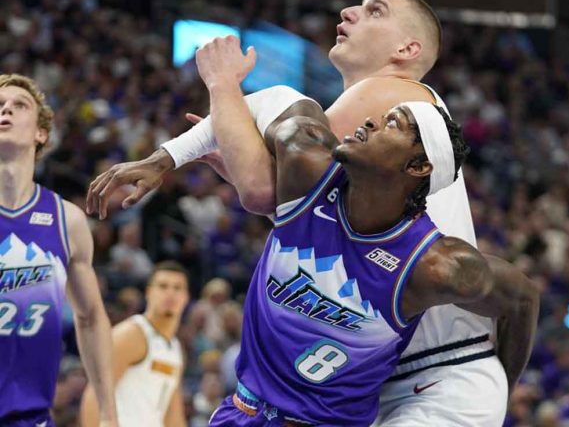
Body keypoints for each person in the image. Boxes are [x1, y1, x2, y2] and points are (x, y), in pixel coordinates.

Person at [87, 0, 534, 426]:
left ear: (407, 48)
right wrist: (180, 155)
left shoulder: (398, 96)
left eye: (375, 11)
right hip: (377, 382)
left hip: (443, 376)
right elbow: (285, 192)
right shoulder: (361, 159)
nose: (348, 11)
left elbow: (264, 178)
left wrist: (216, 96)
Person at [193, 35, 539, 426]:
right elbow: (279, 100)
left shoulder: (434, 264)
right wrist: (180, 141)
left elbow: (523, 298)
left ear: (418, 167)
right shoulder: (304, 156)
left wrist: (502, 385)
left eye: (393, 123)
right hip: (241, 412)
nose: (371, 120)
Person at [0, 74, 117, 426]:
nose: (5, 110)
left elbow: (92, 317)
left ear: (41, 133)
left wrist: (108, 412)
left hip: (31, 417)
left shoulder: (67, 220)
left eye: (18, 105)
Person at [80, 261, 190, 427]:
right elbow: (95, 396)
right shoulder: (131, 334)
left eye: (177, 288)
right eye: (163, 286)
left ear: (186, 297)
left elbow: (173, 416)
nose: (170, 293)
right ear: (148, 292)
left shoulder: (174, 348)